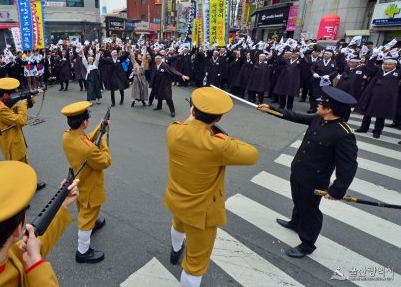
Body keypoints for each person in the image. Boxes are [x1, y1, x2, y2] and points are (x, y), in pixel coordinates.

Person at [165, 87, 259, 287]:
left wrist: (195, 120)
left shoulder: (173, 130)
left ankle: (175, 251)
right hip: (201, 212)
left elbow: (187, 124)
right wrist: (221, 136)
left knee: (177, 226)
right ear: (218, 119)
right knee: (195, 264)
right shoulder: (219, 145)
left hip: (176, 199)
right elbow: (252, 154)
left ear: (192, 111)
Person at [257, 86, 358, 258]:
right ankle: (296, 222)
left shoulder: (343, 134)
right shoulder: (319, 119)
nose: (317, 103)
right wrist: (272, 110)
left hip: (314, 179)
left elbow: (348, 166)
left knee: (310, 210)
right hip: (298, 169)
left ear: (329, 109)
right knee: (298, 199)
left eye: (321, 102)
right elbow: (296, 116)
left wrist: (337, 190)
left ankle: (307, 244)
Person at [61, 101, 111, 264]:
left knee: (83, 205)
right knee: (87, 213)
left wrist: (99, 127)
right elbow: (105, 161)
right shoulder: (88, 149)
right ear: (84, 122)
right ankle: (82, 251)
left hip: (79, 178)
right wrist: (104, 139)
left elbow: (85, 140)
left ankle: (93, 224)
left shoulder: (68, 135)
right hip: (90, 183)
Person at [0, 77, 46, 190]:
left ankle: (30, 183)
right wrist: (22, 104)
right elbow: (21, 121)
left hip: (10, 138)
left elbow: (14, 109)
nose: (11, 97)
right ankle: (22, 191)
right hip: (12, 140)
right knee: (18, 166)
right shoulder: (0, 108)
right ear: (4, 94)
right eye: (10, 94)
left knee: (23, 162)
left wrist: (29, 98)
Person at [354, 56, 401, 139]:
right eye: (385, 64)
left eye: (390, 64)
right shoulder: (378, 70)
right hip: (372, 95)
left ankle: (377, 131)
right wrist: (375, 56)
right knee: (367, 113)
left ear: (395, 65)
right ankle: (364, 128)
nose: (387, 66)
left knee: (380, 115)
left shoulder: (397, 73)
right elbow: (369, 67)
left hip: (385, 98)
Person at [147, 48, 189, 117]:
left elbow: (173, 71)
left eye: (159, 59)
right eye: (156, 59)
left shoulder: (165, 65)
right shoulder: (155, 65)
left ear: (161, 59)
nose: (157, 60)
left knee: (168, 97)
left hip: (165, 84)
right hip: (158, 83)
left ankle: (172, 111)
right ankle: (159, 106)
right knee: (159, 95)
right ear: (154, 60)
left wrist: (182, 75)